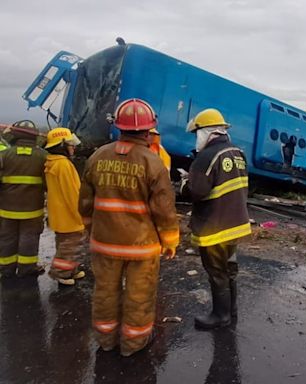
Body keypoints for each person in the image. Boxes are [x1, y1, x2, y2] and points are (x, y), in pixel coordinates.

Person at [79, 98, 180, 357]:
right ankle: (133, 344)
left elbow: (85, 203)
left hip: (104, 243)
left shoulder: (97, 157)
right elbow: (164, 210)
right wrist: (170, 241)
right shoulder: (153, 162)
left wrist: (91, 229)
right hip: (141, 248)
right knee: (139, 294)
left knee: (105, 291)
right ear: (149, 130)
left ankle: (106, 339)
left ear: (118, 127)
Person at [181, 108, 251, 329]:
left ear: (206, 132)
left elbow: (197, 192)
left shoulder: (207, 156)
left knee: (216, 271)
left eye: (197, 133)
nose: (196, 138)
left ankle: (220, 316)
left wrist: (185, 183)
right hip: (235, 223)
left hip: (214, 227)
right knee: (229, 269)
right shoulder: (237, 152)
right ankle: (232, 311)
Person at [0, 120, 47, 278]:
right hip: (32, 209)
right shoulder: (43, 156)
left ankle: (6, 268)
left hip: (7, 209)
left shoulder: (4, 155)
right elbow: (49, 184)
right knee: (29, 237)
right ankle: (27, 269)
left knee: (7, 237)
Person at [44, 127, 86, 286]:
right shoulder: (63, 165)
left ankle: (71, 270)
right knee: (70, 247)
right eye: (70, 144)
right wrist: (80, 215)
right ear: (61, 145)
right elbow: (73, 194)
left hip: (60, 215)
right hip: (69, 217)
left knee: (67, 245)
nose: (73, 147)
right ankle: (60, 273)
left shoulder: (52, 162)